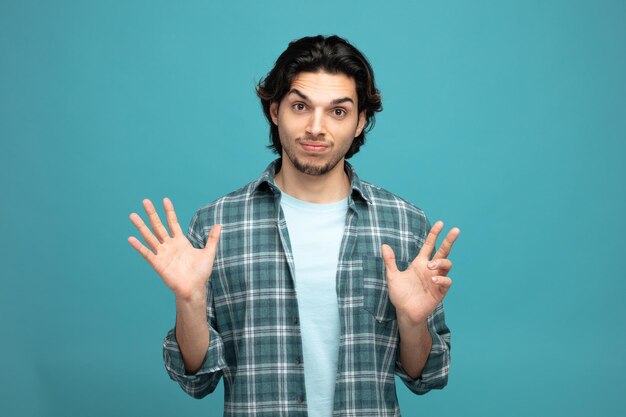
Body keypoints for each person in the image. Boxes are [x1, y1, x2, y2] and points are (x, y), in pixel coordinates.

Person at [128, 35, 459, 416]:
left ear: (359, 122)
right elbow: (196, 380)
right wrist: (189, 301)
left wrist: (414, 323)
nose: (316, 127)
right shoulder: (217, 225)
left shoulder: (404, 224)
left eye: (338, 111)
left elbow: (427, 376)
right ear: (274, 110)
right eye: (301, 106)